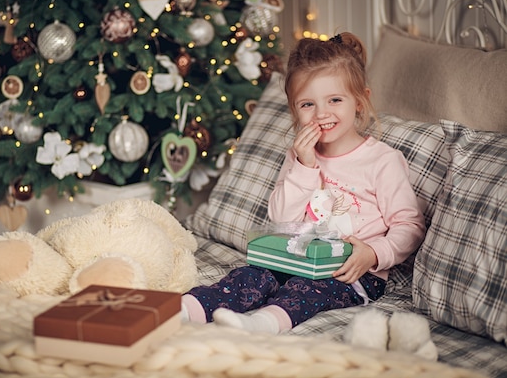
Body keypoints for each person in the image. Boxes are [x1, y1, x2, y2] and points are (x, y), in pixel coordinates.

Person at [180, 32, 426, 333]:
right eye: (307, 104)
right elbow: (281, 220)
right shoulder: (300, 156)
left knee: (307, 291)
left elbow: (410, 226)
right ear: (294, 109)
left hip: (350, 272)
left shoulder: (383, 161)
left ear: (360, 101)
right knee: (249, 277)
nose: (322, 113)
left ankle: (263, 324)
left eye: (335, 100)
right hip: (293, 257)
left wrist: (374, 254)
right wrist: (305, 165)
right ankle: (187, 309)